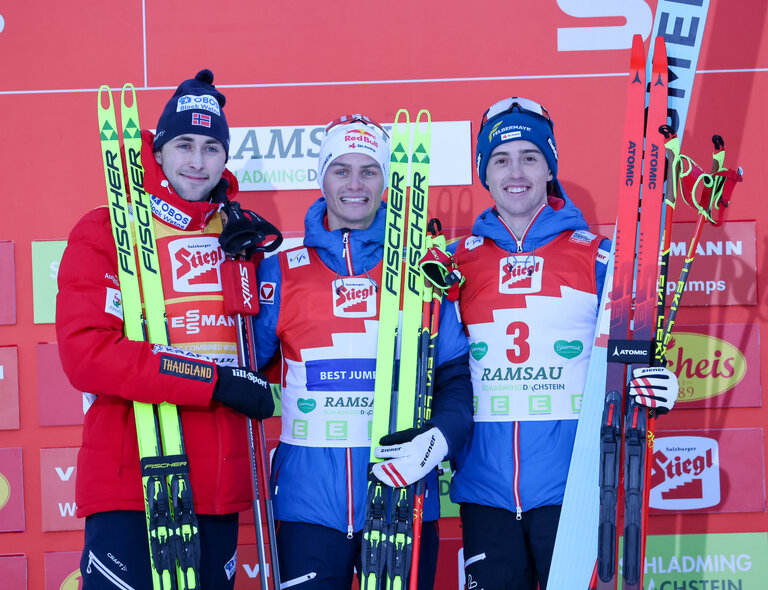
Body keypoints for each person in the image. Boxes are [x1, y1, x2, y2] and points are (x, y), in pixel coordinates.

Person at [448, 97, 679, 590]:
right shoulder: (453, 263)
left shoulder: (598, 258)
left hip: (574, 493)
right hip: (484, 491)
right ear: (484, 174)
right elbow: (436, 365)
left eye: (530, 157)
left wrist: (659, 382)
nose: (516, 172)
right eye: (500, 159)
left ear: (549, 167)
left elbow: (631, 357)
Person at [56, 69, 275, 589]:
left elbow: (259, 350)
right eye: (183, 145)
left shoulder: (237, 235)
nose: (197, 161)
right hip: (133, 483)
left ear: (225, 157)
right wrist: (215, 382)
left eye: (210, 147)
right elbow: (87, 353)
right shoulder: (107, 228)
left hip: (219, 487)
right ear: (157, 153)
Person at [252, 114, 473, 589]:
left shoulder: (424, 268)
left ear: (386, 180)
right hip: (306, 505)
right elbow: (248, 368)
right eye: (341, 169)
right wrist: (234, 276)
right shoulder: (280, 272)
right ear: (322, 177)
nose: (355, 184)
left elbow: (454, 373)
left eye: (369, 170)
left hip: (404, 495)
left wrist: (441, 438)